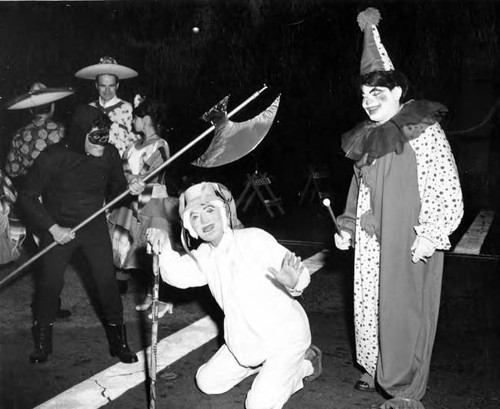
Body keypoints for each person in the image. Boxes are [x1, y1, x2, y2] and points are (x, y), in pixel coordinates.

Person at [334, 8, 464, 409]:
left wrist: (430, 232)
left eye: (376, 93)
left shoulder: (422, 131)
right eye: (363, 94)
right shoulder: (366, 139)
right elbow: (360, 191)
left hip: (409, 237)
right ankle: (375, 367)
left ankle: (406, 390)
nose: (367, 101)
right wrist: (348, 226)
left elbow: (445, 185)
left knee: (405, 309)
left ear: (396, 93)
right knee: (370, 301)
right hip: (373, 240)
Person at [146, 181, 322, 409]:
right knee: (207, 382)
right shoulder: (205, 256)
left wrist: (293, 281)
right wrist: (162, 245)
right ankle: (268, 369)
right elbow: (178, 275)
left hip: (284, 339)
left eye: (209, 210)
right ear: (190, 227)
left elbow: (301, 273)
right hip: (246, 342)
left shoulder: (254, 239)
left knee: (258, 405)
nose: (204, 220)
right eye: (195, 216)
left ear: (224, 212)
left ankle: (306, 363)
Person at [18, 104, 144, 364]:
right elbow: (27, 196)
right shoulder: (54, 157)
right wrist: (52, 228)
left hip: (93, 227)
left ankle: (119, 342)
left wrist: (131, 188)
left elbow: (117, 191)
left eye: (105, 137)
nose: (102, 144)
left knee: (107, 283)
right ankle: (42, 342)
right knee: (49, 284)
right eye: (96, 138)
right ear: (80, 134)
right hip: (59, 229)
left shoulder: (108, 153)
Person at [5, 82, 72, 318]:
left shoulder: (20, 135)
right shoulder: (63, 132)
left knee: (42, 252)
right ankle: (49, 305)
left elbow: (12, 169)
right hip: (57, 199)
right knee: (54, 253)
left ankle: (45, 302)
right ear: (52, 106)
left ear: (31, 110)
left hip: (32, 201)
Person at [75, 56, 140, 292]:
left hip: (117, 170)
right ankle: (102, 272)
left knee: (120, 220)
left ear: (118, 85)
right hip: (92, 171)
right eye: (102, 85)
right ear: (95, 85)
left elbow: (130, 142)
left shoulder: (127, 108)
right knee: (96, 222)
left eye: (111, 85)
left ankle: (120, 274)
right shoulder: (88, 109)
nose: (106, 89)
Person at [108, 96, 174, 318]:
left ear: (146, 119)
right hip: (130, 201)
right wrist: (130, 181)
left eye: (135, 118)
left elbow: (154, 168)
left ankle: (161, 299)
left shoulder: (161, 144)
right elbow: (124, 167)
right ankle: (149, 295)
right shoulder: (132, 145)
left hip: (152, 203)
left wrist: (139, 180)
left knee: (153, 250)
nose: (132, 123)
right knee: (133, 250)